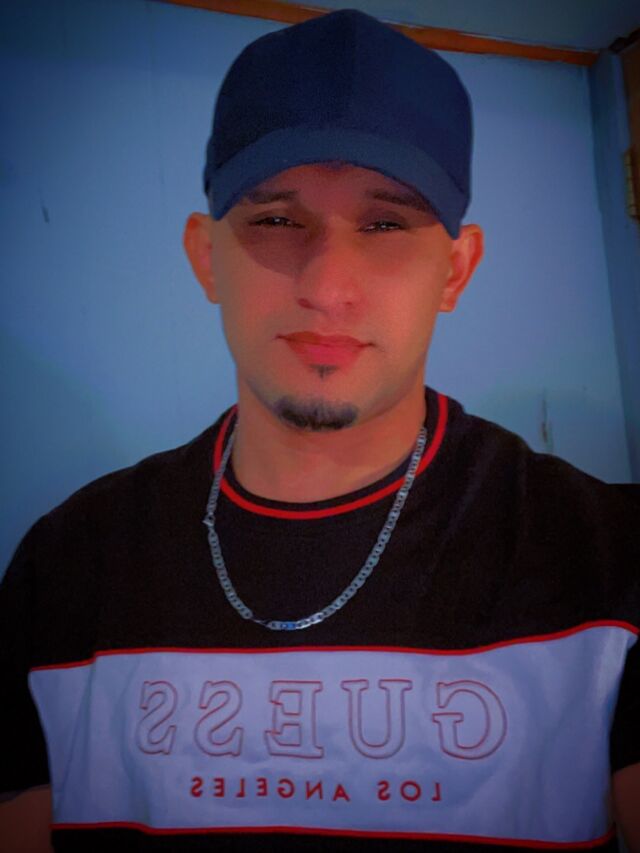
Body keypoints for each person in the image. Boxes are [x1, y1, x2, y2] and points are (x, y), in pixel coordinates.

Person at [1, 8, 639, 853]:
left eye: (386, 224)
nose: (328, 285)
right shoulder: (65, 565)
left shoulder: (607, 558)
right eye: (275, 219)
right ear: (206, 256)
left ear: (456, 270)